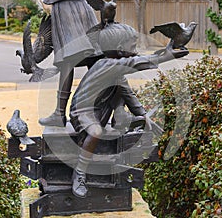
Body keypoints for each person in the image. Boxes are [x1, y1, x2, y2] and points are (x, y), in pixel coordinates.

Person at [69, 23, 188, 198]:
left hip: (100, 109)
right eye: (133, 45)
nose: (136, 48)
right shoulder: (106, 64)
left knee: (120, 90)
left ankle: (123, 121)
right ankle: (79, 172)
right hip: (82, 111)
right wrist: (166, 56)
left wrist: (143, 115)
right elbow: (135, 63)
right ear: (119, 48)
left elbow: (128, 94)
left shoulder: (117, 71)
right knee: (95, 131)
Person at [38, 0, 99, 127]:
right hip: (83, 5)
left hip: (66, 7)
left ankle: (60, 113)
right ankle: (100, 109)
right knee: (95, 58)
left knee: (70, 59)